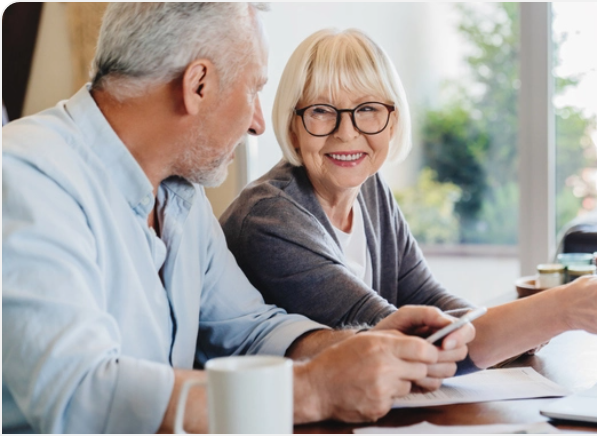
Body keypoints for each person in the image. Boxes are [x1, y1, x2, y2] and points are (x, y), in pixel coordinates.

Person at [1, 4, 474, 433]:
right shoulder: (25, 176)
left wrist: (361, 346)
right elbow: (78, 393)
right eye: (255, 89)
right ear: (198, 85)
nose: (258, 122)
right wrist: (310, 390)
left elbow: (249, 328)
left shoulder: (179, 197)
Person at [219, 28, 597, 373]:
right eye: (321, 111)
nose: (347, 132)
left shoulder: (371, 192)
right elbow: (404, 341)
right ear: (293, 124)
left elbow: (429, 299)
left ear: (392, 121)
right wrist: (559, 309)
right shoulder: (270, 218)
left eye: (368, 110)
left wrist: (515, 333)